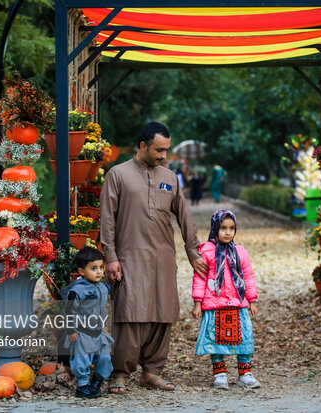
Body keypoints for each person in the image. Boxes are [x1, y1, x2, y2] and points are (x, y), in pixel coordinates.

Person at [100, 121, 208, 394]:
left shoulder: (170, 177)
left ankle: (152, 372)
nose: (164, 156)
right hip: (129, 254)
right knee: (130, 312)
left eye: (167, 151)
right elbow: (107, 219)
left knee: (162, 312)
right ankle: (121, 372)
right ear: (143, 146)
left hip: (162, 255)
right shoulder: (118, 174)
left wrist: (192, 251)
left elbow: (184, 215)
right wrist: (110, 256)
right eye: (159, 150)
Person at [191, 209, 261, 390]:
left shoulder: (240, 252)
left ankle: (245, 374)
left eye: (231, 228)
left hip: (237, 304)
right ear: (215, 228)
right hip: (214, 304)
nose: (228, 232)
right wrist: (197, 302)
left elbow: (248, 276)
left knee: (243, 340)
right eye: (223, 228)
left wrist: (251, 300)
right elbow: (199, 278)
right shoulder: (206, 252)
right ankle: (219, 373)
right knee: (214, 341)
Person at [59, 247, 114, 399]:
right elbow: (68, 311)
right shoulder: (77, 291)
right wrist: (70, 330)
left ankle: (96, 383)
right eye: (93, 268)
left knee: (104, 358)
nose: (98, 272)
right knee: (81, 359)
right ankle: (83, 386)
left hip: (98, 332)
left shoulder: (102, 287)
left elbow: (110, 288)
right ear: (82, 271)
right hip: (81, 333)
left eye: (101, 267)